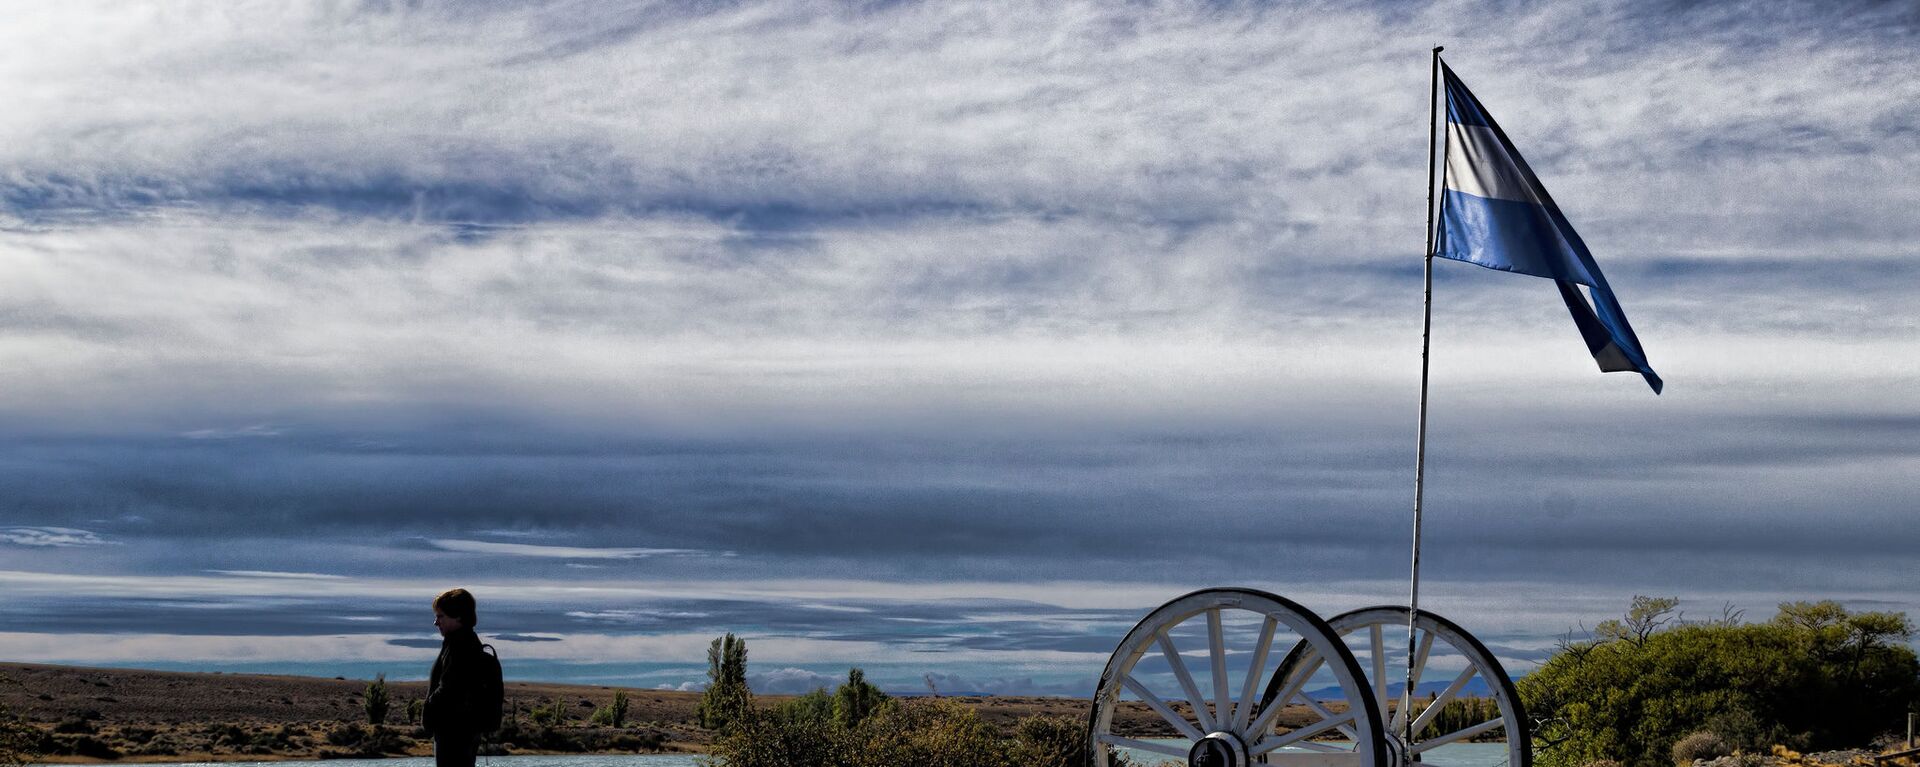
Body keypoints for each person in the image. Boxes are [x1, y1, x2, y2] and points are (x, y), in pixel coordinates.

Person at [425, 588, 485, 767]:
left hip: (454, 731)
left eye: (441, 616)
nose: (436, 622)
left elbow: (450, 688)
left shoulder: (460, 646)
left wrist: (430, 708)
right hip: (461, 730)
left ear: (458, 616)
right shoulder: (464, 642)